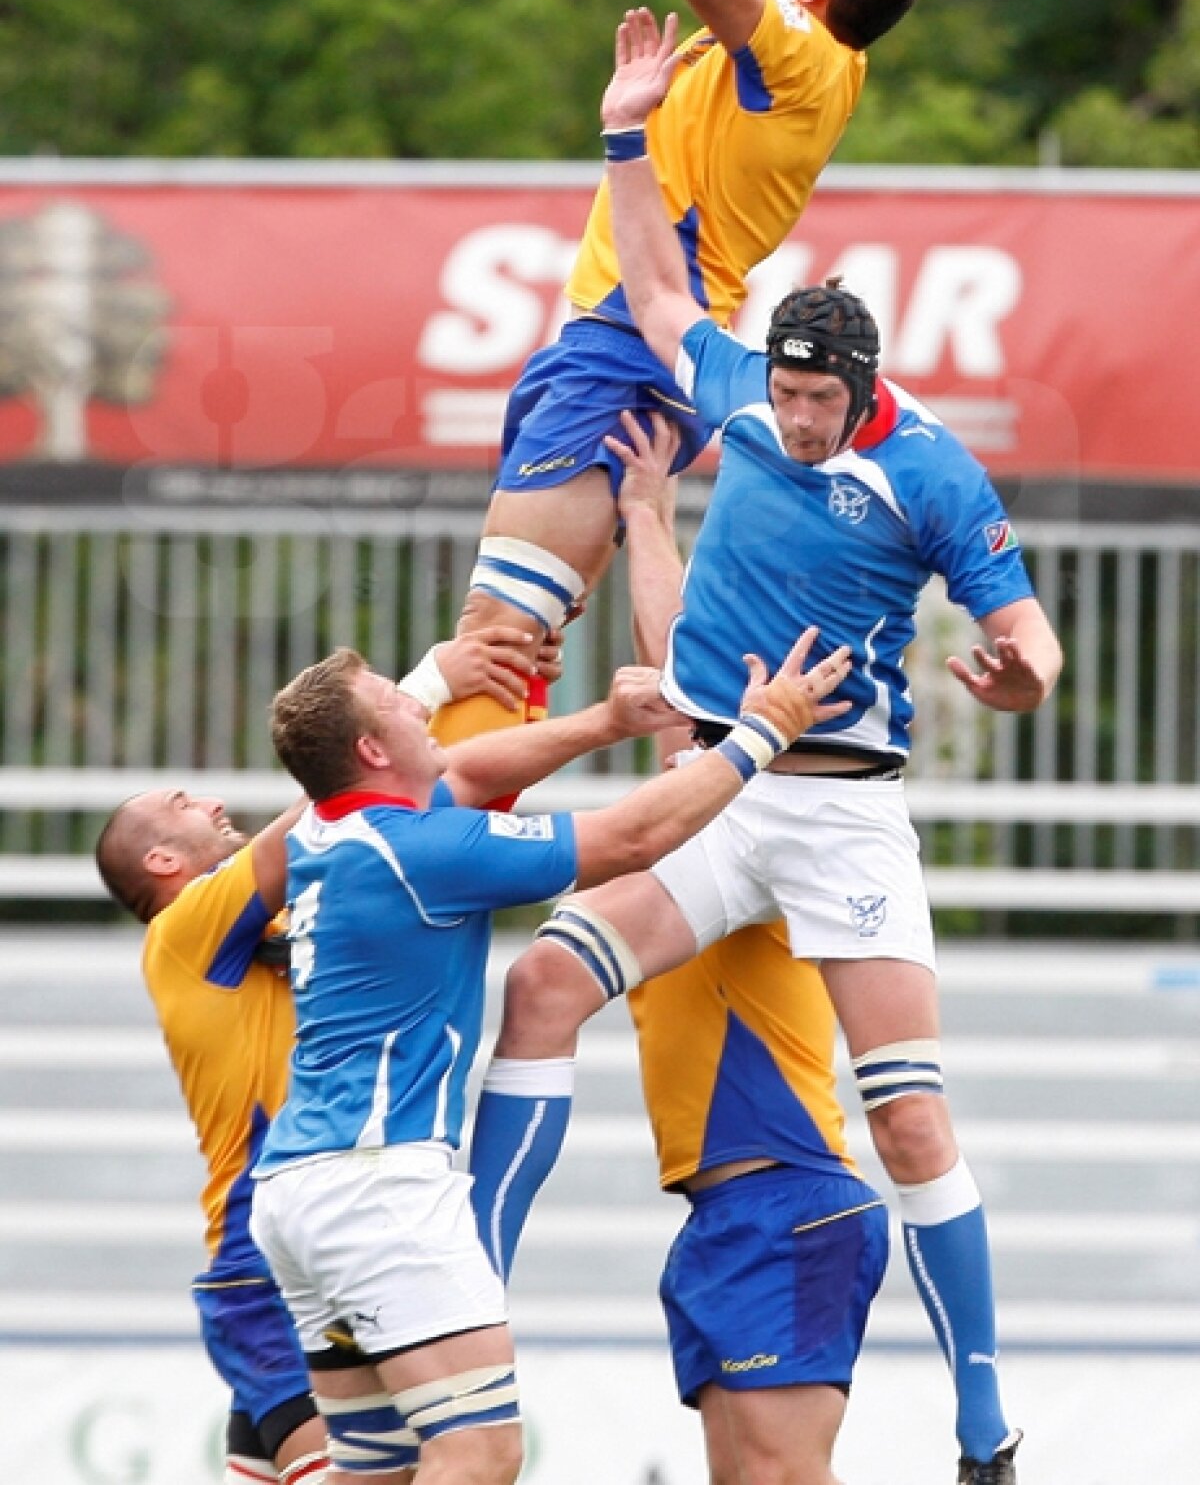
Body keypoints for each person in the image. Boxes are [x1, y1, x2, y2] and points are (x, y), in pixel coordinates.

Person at [466, 9, 1064, 1485]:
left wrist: (1016, 684)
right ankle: (465, 1300)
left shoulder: (928, 469)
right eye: (779, 395)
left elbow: (1033, 636)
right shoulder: (744, 390)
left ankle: (986, 1427)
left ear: (862, 390)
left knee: (912, 1123)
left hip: (847, 814)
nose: (788, 419)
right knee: (544, 982)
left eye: (814, 400)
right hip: (723, 796)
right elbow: (661, 286)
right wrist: (622, 129)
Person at [432, 0, 957, 749]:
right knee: (520, 641)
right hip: (636, 336)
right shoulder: (820, 37)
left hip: (631, 337)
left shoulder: (797, 49)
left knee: (497, 638)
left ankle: (421, 882)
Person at [249, 629, 851, 1485]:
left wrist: (606, 721)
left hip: (298, 1193)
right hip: (376, 1190)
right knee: (479, 1454)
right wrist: (764, 730)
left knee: (373, 1470)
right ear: (373, 750)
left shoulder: (324, 831)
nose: (421, 709)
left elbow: (471, 771)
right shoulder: (421, 853)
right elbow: (633, 838)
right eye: (397, 701)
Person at [94, 627, 549, 1485]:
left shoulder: (280, 918)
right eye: (186, 805)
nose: (214, 805)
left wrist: (521, 698)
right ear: (162, 861)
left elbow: (422, 806)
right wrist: (425, 684)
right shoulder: (185, 931)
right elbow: (334, 804)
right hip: (269, 1257)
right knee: (429, 1462)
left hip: (298, 1241)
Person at [615, 409, 890, 1485]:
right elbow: (680, 677)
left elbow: (690, 701)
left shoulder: (759, 813)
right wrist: (645, 514)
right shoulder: (695, 825)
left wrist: (652, 519)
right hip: (730, 1209)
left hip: (785, 1198)